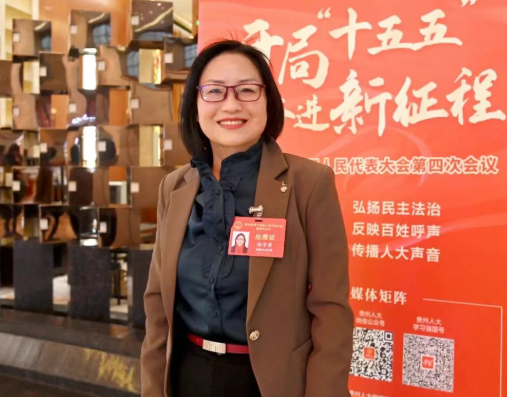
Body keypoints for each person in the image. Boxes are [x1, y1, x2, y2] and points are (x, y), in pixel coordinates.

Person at [141, 40, 353, 397]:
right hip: (186, 375)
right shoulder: (174, 187)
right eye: (214, 91)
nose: (231, 104)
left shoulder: (309, 183)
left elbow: (330, 310)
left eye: (247, 90)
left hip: (270, 383)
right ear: (195, 104)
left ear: (268, 100)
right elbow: (157, 302)